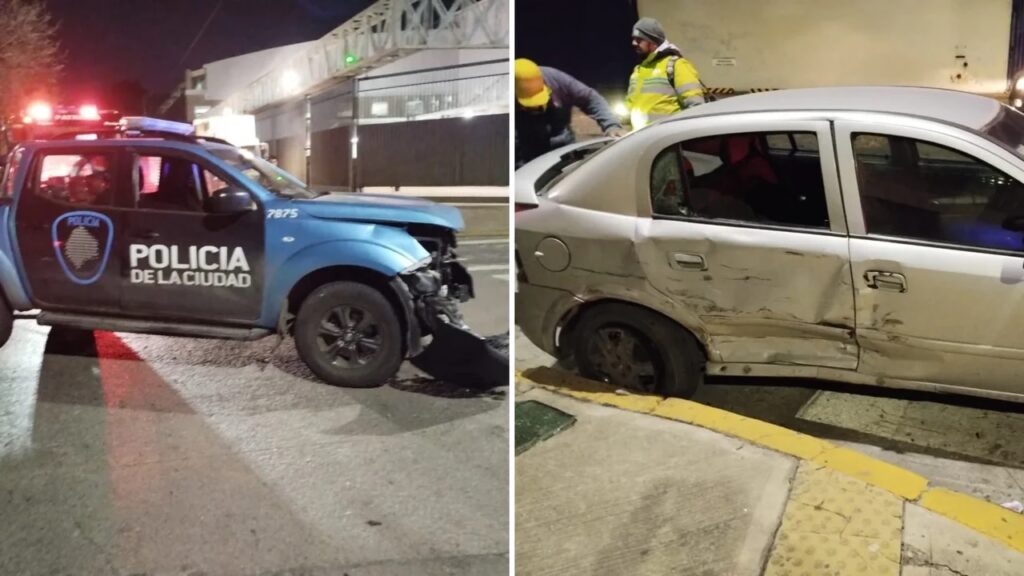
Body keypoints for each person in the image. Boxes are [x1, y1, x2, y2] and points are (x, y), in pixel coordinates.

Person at [515, 58, 626, 167]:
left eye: (539, 103)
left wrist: (611, 126)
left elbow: (591, 99)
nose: (537, 108)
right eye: (530, 105)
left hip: (563, 146)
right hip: (528, 151)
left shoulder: (557, 80)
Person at [626, 17, 706, 131]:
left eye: (639, 40)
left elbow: (696, 107)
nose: (634, 43)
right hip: (640, 139)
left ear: (653, 42)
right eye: (633, 39)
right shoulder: (638, 70)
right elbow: (630, 105)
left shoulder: (676, 65)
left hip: (667, 140)